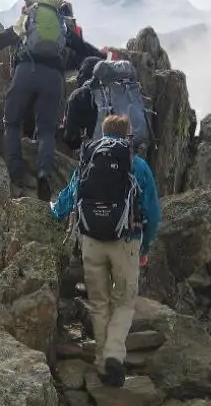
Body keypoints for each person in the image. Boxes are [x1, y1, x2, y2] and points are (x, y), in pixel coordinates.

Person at [50, 114, 161, 388]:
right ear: (127, 135)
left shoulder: (90, 158)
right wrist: (145, 245)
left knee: (98, 303)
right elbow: (152, 212)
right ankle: (113, 356)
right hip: (126, 242)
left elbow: (69, 196)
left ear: (103, 132)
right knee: (123, 301)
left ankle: (102, 363)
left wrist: (54, 212)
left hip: (91, 241)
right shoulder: (137, 164)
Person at [0, 0, 104, 201]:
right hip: (52, 78)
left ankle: (16, 174)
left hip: (25, 72)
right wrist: (102, 57)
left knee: (11, 122)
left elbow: (10, 36)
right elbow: (81, 47)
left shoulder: (31, 13)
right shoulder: (62, 22)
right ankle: (43, 174)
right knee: (47, 131)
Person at [59, 57, 151, 154]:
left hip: (98, 154)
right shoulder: (120, 91)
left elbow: (70, 137)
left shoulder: (78, 96)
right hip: (129, 150)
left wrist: (80, 143)